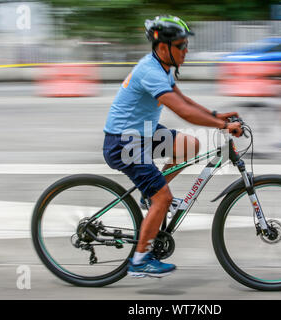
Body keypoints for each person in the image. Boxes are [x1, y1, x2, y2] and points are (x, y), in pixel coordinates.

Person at [103, 15, 242, 278]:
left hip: (142, 133)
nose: (186, 50)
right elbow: (182, 112)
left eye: (186, 45)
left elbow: (185, 100)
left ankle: (149, 194)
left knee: (189, 145)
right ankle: (140, 260)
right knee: (164, 199)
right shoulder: (150, 71)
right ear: (163, 47)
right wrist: (221, 127)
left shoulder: (163, 67)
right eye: (181, 45)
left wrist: (216, 115)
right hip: (123, 141)